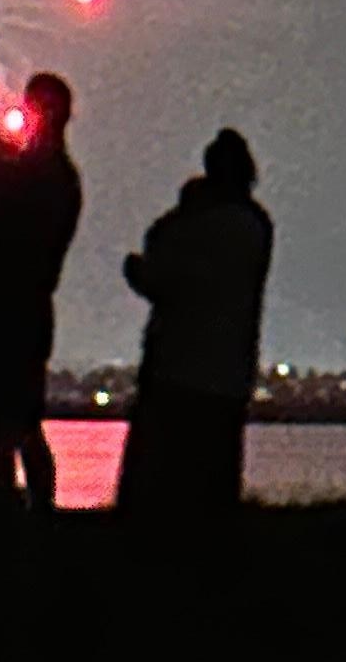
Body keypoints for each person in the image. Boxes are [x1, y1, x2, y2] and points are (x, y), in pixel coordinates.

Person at [0, 65, 84, 513]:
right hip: (23, 305)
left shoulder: (36, 175)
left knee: (10, 416)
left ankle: (14, 502)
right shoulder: (53, 174)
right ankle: (17, 502)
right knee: (13, 417)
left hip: (6, 305)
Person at [115, 129, 275, 519]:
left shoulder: (194, 225)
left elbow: (162, 274)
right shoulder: (256, 225)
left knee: (160, 480)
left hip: (176, 368)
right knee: (215, 481)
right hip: (230, 372)